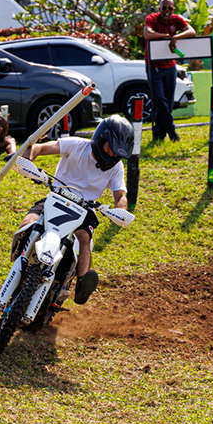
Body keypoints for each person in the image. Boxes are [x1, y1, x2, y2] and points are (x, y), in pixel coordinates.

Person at [17, 115, 133, 305]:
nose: (111, 155)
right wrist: (29, 161)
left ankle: (82, 284)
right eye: (109, 148)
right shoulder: (76, 145)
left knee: (83, 238)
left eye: (116, 153)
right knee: (29, 222)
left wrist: (120, 210)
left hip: (85, 208)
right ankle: (20, 259)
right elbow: (40, 148)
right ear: (101, 139)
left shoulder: (116, 167)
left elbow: (121, 195)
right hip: (56, 196)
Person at [143, 0, 196, 143]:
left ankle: (159, 135)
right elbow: (147, 34)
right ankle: (172, 132)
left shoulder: (177, 19)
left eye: (169, 8)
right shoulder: (152, 18)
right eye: (163, 8)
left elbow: (192, 31)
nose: (166, 11)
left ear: (173, 9)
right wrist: (166, 36)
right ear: (159, 9)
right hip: (154, 66)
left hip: (170, 67)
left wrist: (176, 37)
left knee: (168, 101)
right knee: (159, 99)